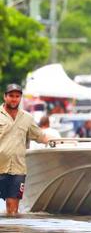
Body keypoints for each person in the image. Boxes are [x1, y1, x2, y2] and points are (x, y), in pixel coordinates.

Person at [0, 84, 49, 215]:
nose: (14, 99)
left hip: (18, 169)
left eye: (17, 96)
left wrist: (57, 142)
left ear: (20, 98)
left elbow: (40, 136)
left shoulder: (27, 118)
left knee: (13, 210)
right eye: (11, 96)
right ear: (5, 97)